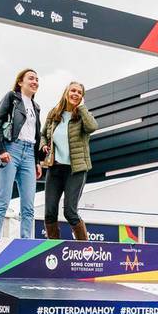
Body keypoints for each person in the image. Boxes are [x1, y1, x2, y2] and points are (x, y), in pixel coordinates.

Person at [0, 68, 44, 238]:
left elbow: (36, 134)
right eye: (31, 78)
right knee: (2, 201)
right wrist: (1, 150)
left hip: (29, 153)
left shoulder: (36, 106)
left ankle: (26, 242)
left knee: (28, 206)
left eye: (37, 79)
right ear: (21, 82)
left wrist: (37, 162)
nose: (35, 82)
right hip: (11, 149)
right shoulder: (12, 97)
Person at [39, 81, 98, 240]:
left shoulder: (82, 116)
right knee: (49, 212)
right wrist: (44, 145)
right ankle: (53, 248)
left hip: (76, 170)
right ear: (66, 92)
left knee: (70, 212)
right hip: (55, 169)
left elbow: (93, 127)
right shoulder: (54, 114)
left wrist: (82, 108)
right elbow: (43, 134)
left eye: (79, 92)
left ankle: (85, 248)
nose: (76, 94)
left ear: (82, 97)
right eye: (73, 90)